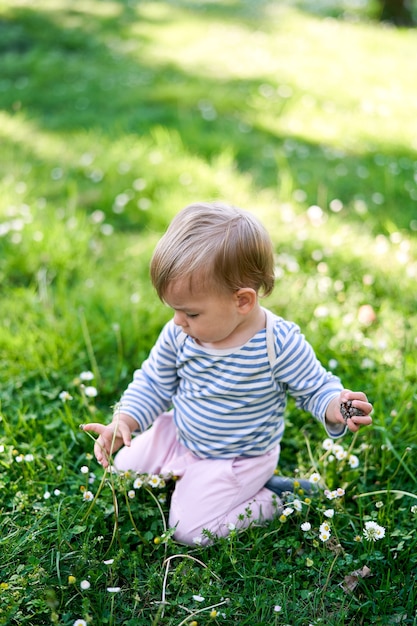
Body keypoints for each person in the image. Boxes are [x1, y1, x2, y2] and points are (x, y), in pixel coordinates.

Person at [82, 202, 372, 545]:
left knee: (190, 532)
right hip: (181, 433)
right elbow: (153, 381)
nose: (178, 321)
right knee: (123, 468)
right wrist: (126, 422)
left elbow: (315, 387)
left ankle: (278, 497)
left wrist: (334, 406)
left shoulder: (277, 343)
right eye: (175, 311)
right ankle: (185, 472)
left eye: (190, 312)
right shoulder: (180, 333)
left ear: (243, 301)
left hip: (237, 458)